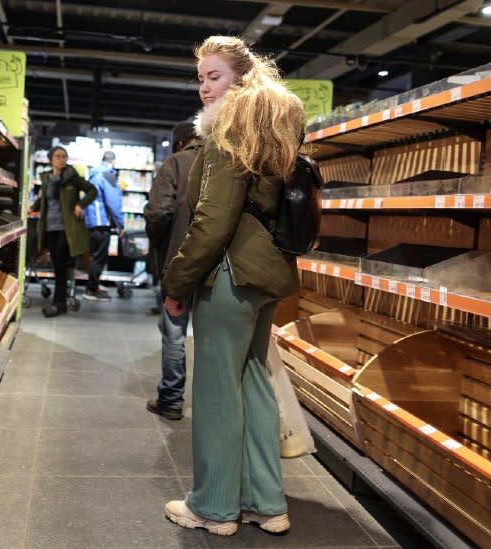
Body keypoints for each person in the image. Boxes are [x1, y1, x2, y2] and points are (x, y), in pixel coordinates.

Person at [160, 36, 305, 537]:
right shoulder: (272, 131)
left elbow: (213, 221)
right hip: (267, 275)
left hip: (229, 275)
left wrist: (177, 281)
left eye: (213, 76)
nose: (204, 87)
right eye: (200, 77)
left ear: (240, 78)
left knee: (219, 390)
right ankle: (267, 504)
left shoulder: (229, 133)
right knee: (253, 385)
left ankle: (214, 509)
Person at [143, 122, 202, 421]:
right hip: (216, 266)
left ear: (179, 143)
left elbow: (158, 213)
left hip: (178, 262)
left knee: (174, 331)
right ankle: (212, 405)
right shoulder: (223, 162)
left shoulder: (176, 163)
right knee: (210, 337)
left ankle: (171, 399)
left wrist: (159, 244)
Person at [30, 146, 98, 318]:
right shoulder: (46, 178)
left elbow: (92, 190)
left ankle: (58, 304)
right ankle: (60, 302)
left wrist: (80, 205)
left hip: (67, 230)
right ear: (50, 160)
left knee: (60, 265)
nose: (62, 159)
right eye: (58, 156)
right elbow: (44, 199)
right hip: (49, 228)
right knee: (57, 265)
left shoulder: (72, 177)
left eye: (64, 156)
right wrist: (32, 208)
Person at [83, 151, 124, 301]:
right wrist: (120, 223)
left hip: (92, 221)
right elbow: (113, 202)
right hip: (102, 221)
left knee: (95, 256)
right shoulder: (108, 174)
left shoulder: (94, 174)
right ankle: (91, 289)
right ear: (113, 161)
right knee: (99, 257)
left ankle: (94, 285)